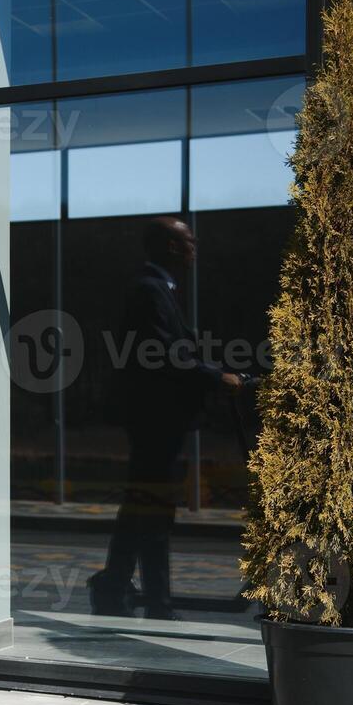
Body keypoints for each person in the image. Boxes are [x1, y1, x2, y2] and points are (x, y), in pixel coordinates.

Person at [88, 216, 239, 620]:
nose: (194, 248)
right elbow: (165, 355)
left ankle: (117, 586)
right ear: (171, 247)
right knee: (152, 510)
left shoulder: (158, 289)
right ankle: (151, 599)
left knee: (145, 507)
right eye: (188, 241)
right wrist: (215, 376)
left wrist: (212, 370)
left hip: (158, 421)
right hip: (157, 421)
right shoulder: (150, 290)